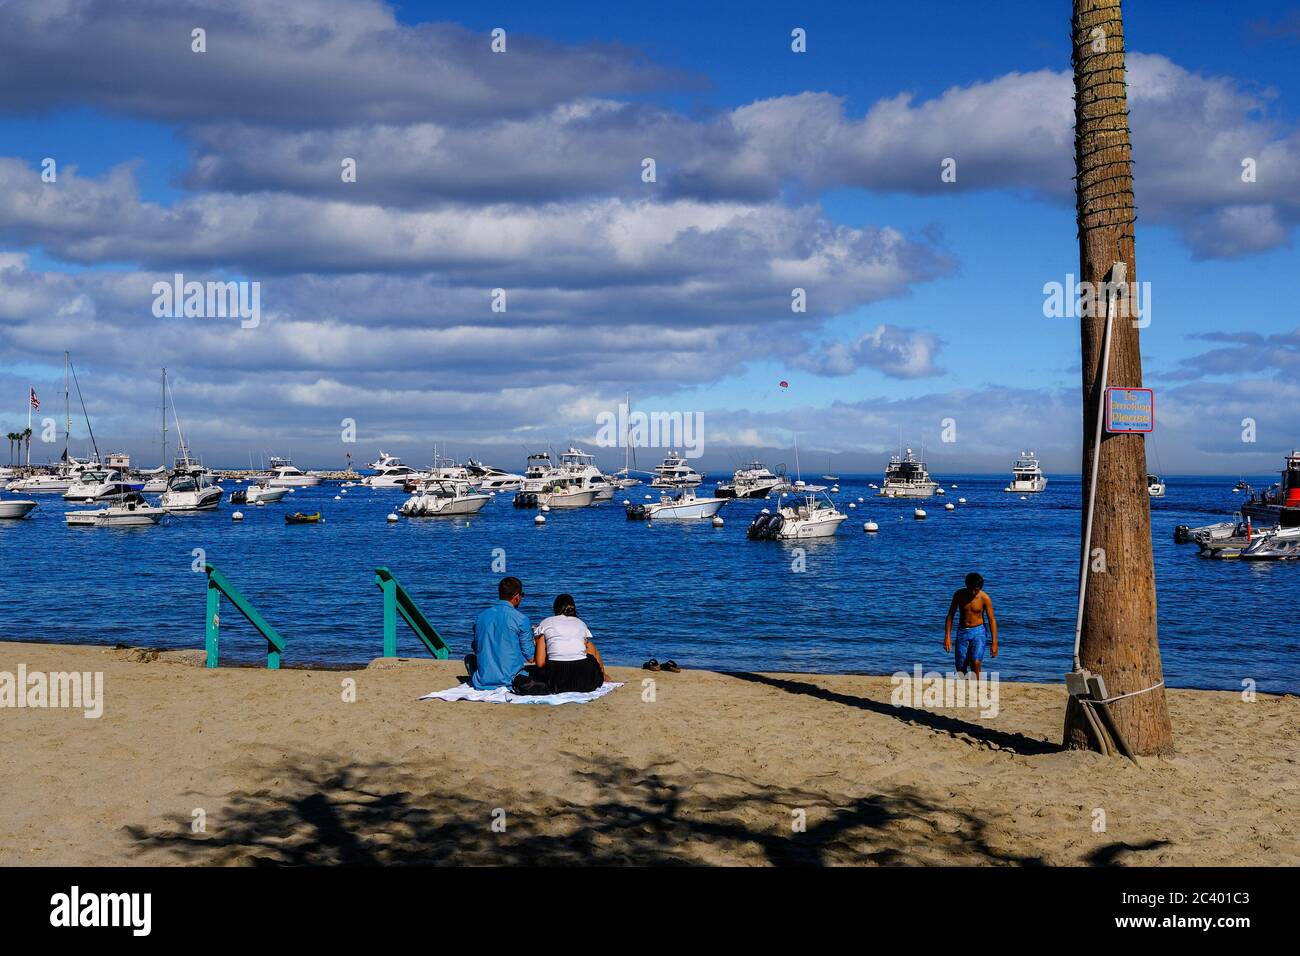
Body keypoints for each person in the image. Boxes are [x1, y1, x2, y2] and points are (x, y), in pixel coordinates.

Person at [467, 576, 544, 693]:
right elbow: (531, 657)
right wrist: (538, 642)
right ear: (517, 596)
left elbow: (476, 647)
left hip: (483, 681)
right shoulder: (521, 619)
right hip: (511, 681)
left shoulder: (480, 617)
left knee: (469, 659)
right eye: (522, 595)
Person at [532, 594, 609, 693]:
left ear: (555, 608)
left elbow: (540, 662)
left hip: (556, 682)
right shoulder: (581, 623)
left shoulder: (546, 623)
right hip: (583, 682)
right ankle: (604, 676)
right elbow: (587, 649)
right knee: (590, 647)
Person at [943, 572, 998, 676]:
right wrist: (947, 637)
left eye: (976, 590)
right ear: (966, 585)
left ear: (980, 588)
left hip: (979, 632)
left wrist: (994, 642)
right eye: (971, 589)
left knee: (975, 663)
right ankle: (965, 687)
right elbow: (950, 616)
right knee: (960, 667)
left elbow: (992, 620)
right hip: (962, 631)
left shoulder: (985, 598)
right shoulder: (959, 595)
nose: (973, 592)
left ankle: (977, 686)